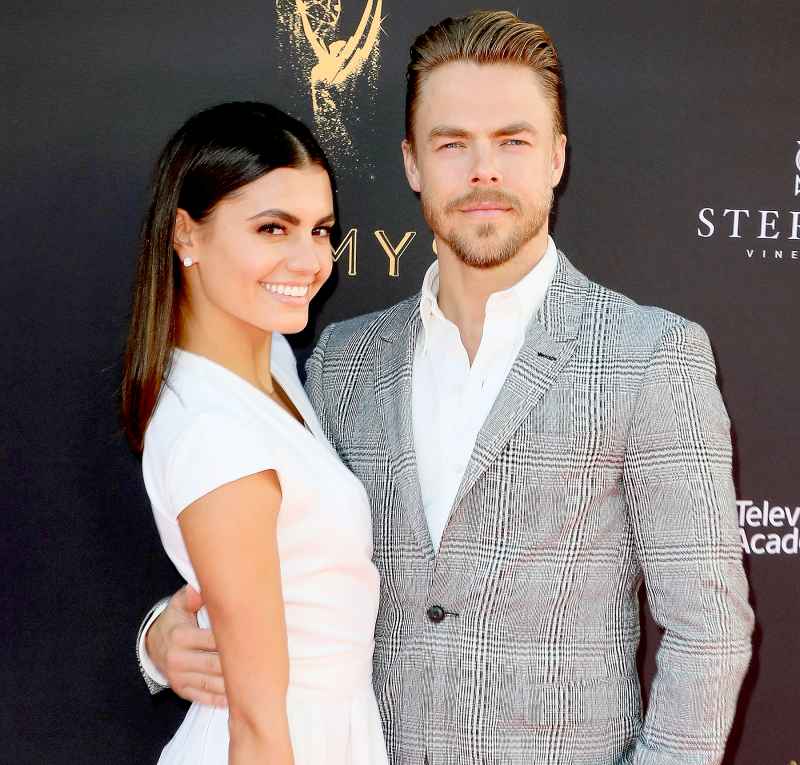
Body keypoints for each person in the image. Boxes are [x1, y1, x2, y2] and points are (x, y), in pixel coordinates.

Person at [137, 12, 754, 764]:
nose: (483, 170)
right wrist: (155, 638)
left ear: (557, 158)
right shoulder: (341, 360)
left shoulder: (652, 356)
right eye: (452, 143)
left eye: (513, 141)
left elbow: (708, 628)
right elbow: (285, 565)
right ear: (411, 163)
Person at [122, 101, 388, 764]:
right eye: (273, 228)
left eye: (321, 229)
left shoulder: (268, 360)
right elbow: (260, 727)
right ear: (186, 235)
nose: (309, 258)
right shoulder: (215, 432)